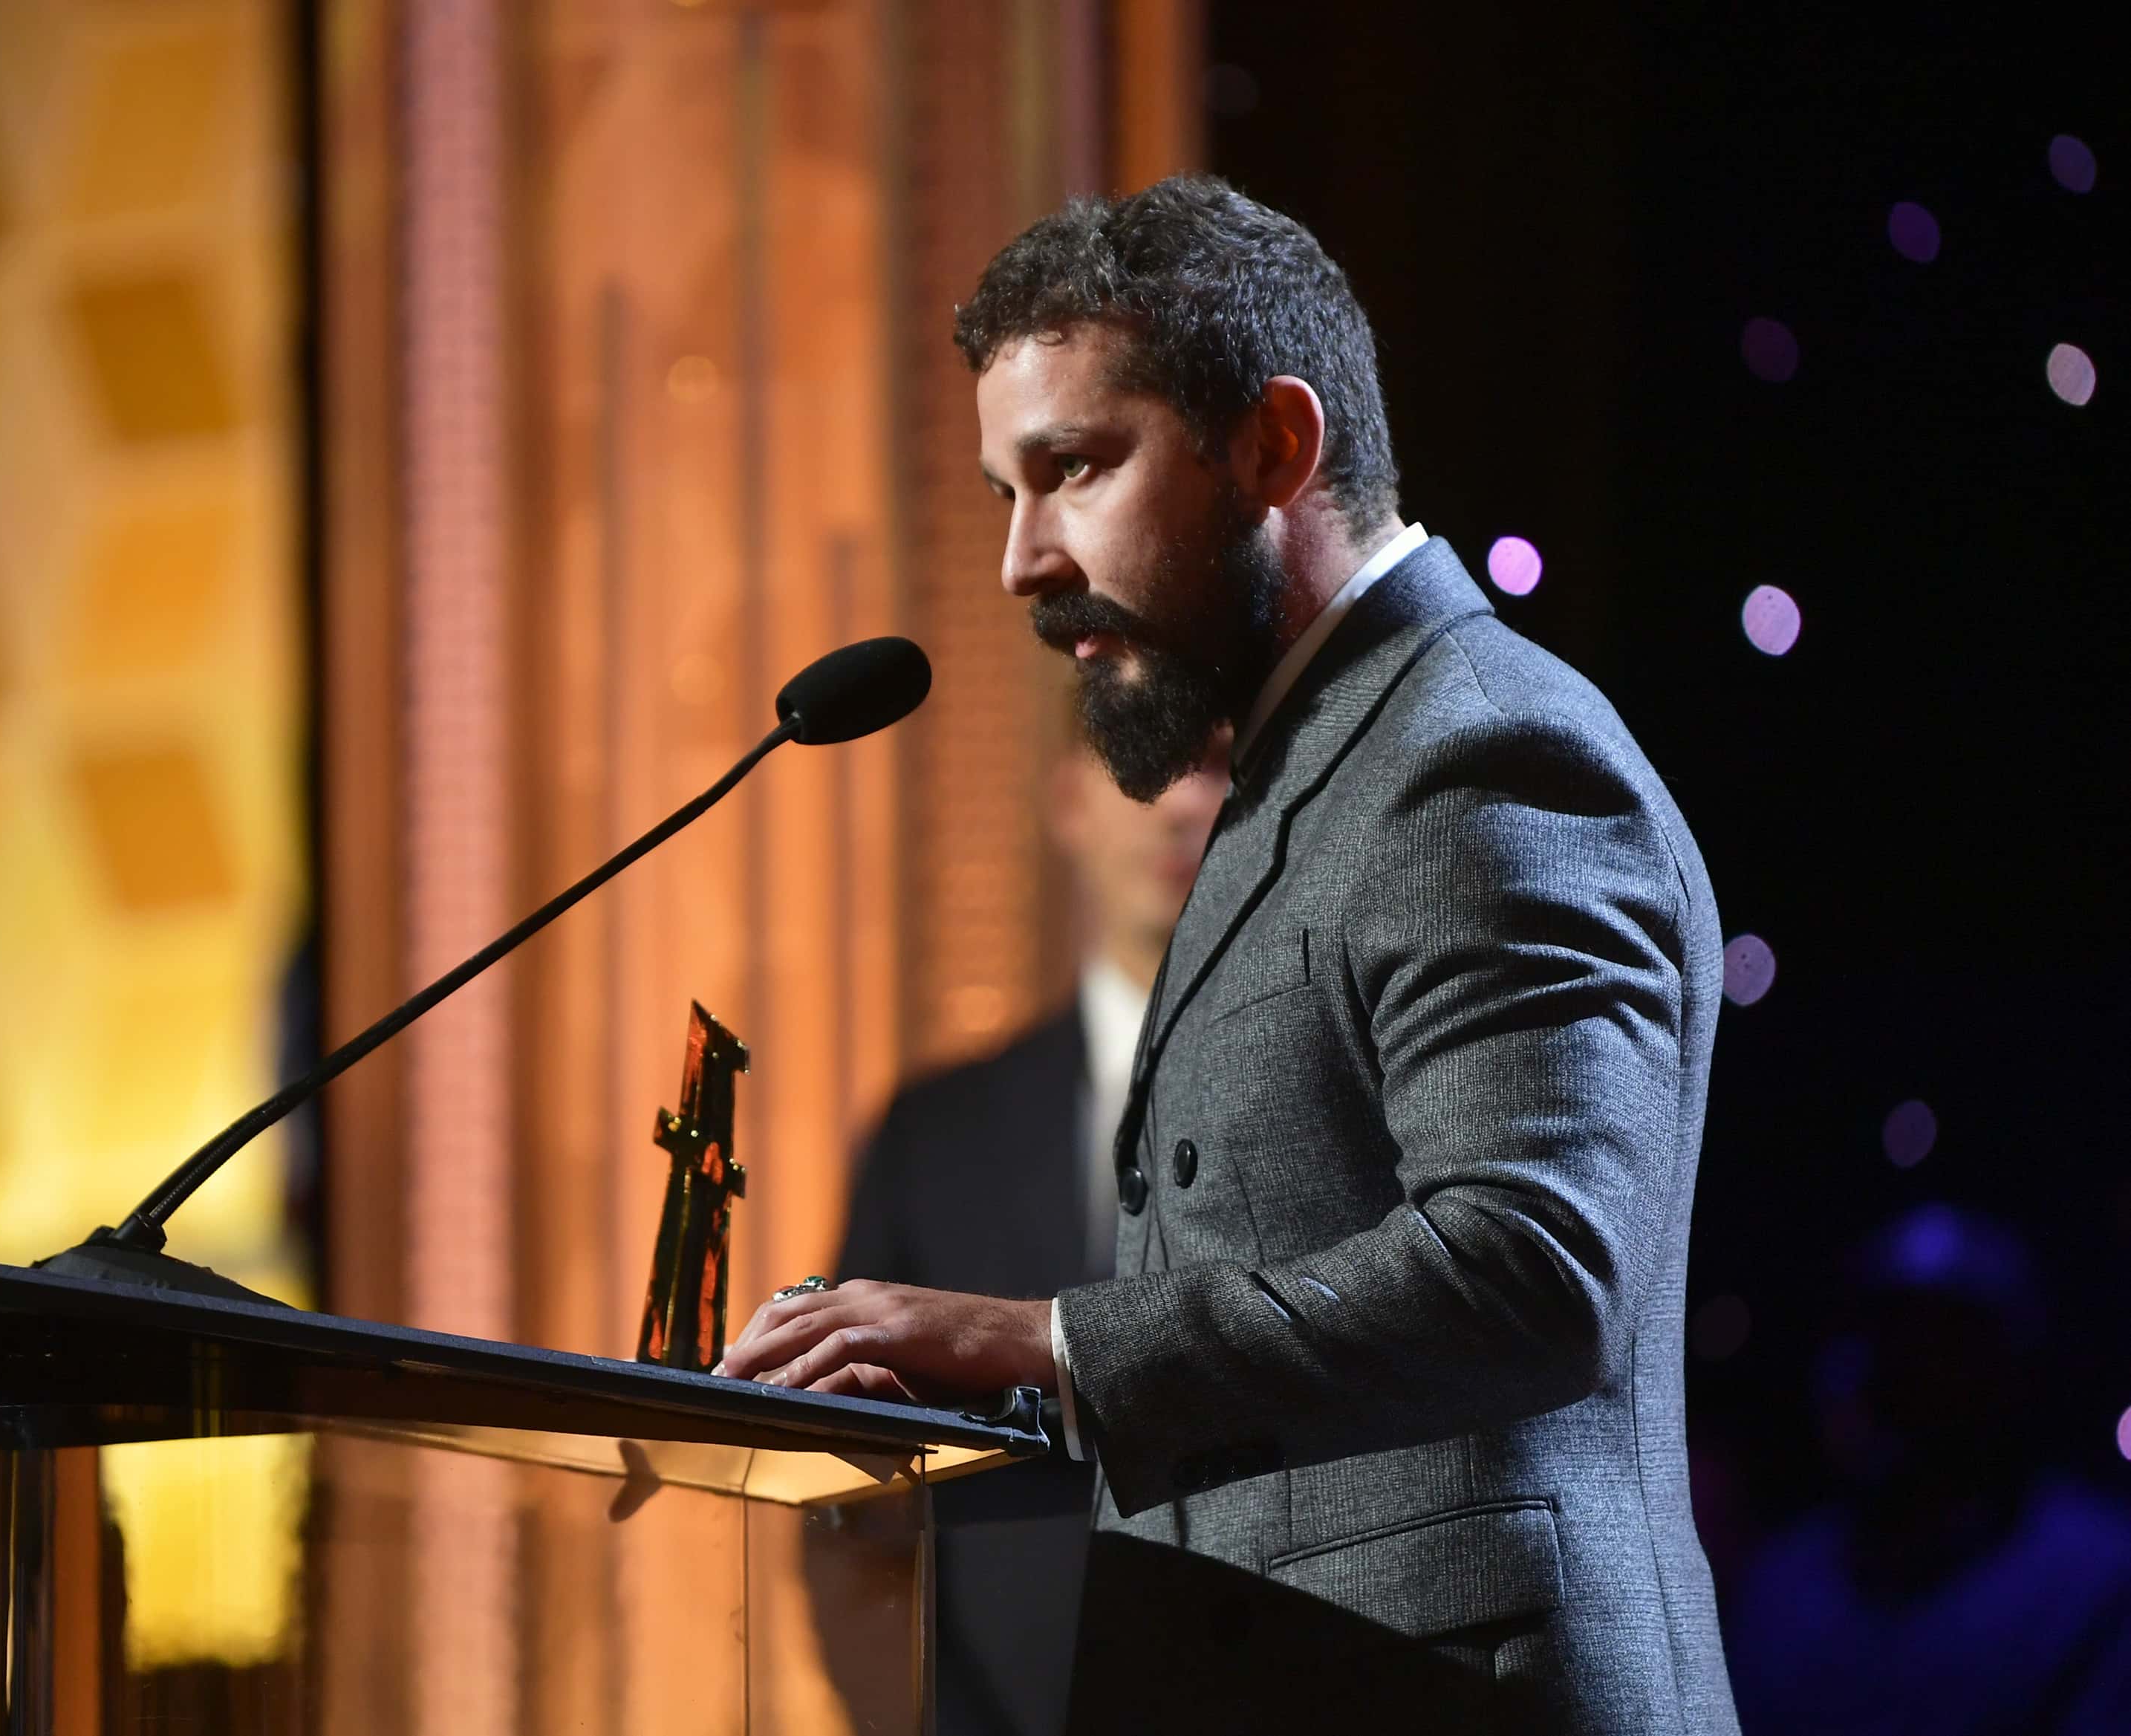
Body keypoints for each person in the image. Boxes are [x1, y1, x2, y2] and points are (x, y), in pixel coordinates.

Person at [722, 175, 1737, 1732]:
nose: (1023, 560)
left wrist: (1035, 1338)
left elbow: (1535, 1270)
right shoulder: (1315, 763)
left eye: (1071, 468)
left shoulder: (1477, 753)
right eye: (1006, 490)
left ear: (1276, 443)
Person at [823, 731, 1226, 1736]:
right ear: (1067, 802)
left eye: (1216, 764)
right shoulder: (932, 1138)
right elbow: (846, 1504)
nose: (1179, 806)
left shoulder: (1347, 1122)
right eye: (1141, 762)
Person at [1728, 1206, 2131, 1735]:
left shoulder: (2097, 1577)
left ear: (2012, 1371)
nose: (1912, 1376)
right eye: (1891, 1339)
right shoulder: (1783, 1583)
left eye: (1947, 1348)